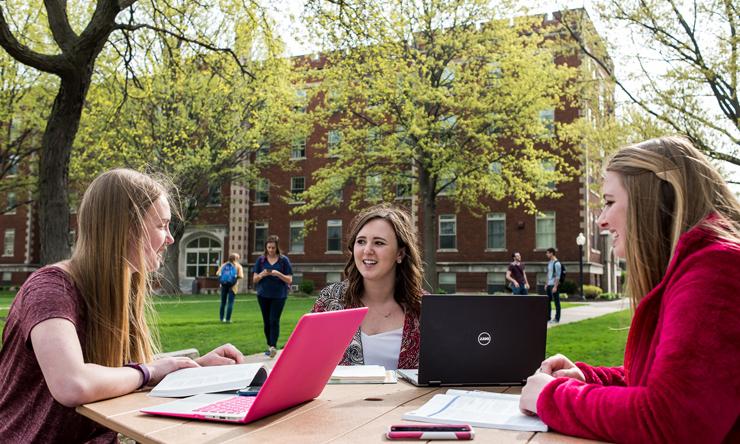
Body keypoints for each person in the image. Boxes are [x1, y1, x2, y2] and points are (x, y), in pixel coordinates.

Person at [519, 136, 740, 443]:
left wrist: (552, 396)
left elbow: (672, 419)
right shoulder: (695, 268)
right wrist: (589, 379)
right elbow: (667, 383)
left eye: (609, 202)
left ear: (649, 199)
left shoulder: (716, 270)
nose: (601, 221)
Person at [0, 169, 245, 443]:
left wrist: (189, 370)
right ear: (126, 228)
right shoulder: (50, 290)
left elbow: (120, 377)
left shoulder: (120, 290)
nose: (170, 238)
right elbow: (72, 384)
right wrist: (150, 371)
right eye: (161, 225)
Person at [311, 204, 424, 370]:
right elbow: (304, 363)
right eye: (361, 241)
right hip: (342, 397)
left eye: (379, 243)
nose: (367, 250)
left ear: (399, 254)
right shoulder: (330, 301)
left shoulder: (422, 309)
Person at [252, 235, 293, 358]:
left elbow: (290, 280)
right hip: (263, 295)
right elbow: (254, 279)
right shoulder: (261, 260)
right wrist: (262, 274)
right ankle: (270, 345)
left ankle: (273, 346)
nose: (271, 250)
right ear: (266, 247)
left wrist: (278, 273)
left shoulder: (283, 260)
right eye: (269, 247)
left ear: (277, 247)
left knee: (274, 320)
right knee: (266, 321)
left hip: (279, 295)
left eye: (273, 248)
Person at [216, 252, 244, 323]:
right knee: (230, 303)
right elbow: (241, 276)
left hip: (224, 285)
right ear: (236, 259)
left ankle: (222, 319)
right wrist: (234, 277)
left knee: (223, 303)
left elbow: (217, 273)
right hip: (233, 286)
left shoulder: (224, 265)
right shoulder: (238, 266)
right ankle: (228, 319)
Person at [544, 248, 561, 323]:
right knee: (548, 302)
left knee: (556, 302)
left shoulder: (557, 263)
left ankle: (557, 319)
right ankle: (548, 318)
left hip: (554, 285)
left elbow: (558, 276)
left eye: (547, 253)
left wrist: (555, 286)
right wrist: (546, 284)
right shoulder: (550, 262)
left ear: (552, 253)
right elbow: (548, 274)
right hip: (549, 285)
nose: (546, 254)